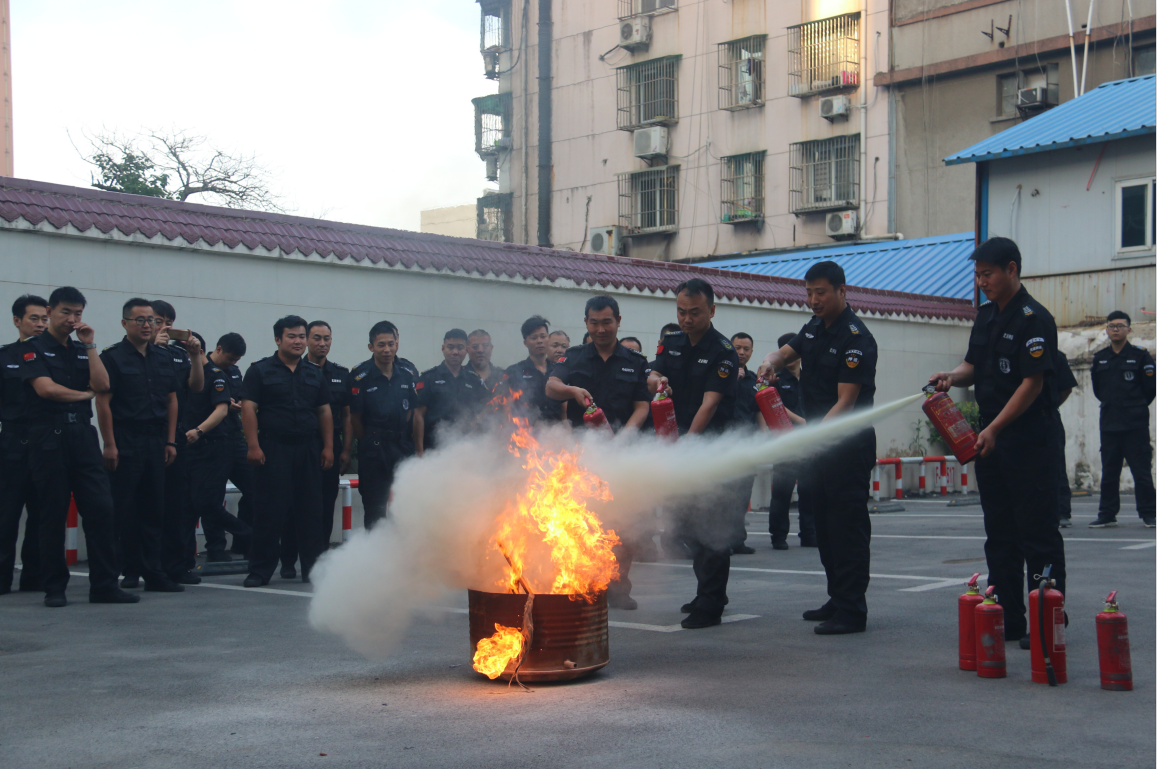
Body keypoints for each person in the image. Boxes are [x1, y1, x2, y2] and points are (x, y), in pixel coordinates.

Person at [927, 237, 1066, 649]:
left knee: (1037, 534)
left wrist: (996, 428)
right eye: (977, 275)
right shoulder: (986, 316)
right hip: (991, 441)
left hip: (1028, 440)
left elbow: (1032, 384)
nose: (981, 281)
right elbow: (973, 365)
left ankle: (1048, 616)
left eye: (987, 274)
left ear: (1011, 269)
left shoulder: (1034, 319)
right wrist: (951, 377)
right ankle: (1011, 617)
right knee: (1000, 534)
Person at [759, 261, 877, 636]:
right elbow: (785, 353)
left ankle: (852, 610)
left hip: (846, 446)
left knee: (847, 528)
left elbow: (846, 402)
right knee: (824, 527)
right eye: (808, 293)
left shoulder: (856, 338)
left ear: (842, 291)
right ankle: (837, 598)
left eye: (821, 292)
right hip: (818, 446)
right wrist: (768, 363)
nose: (813, 300)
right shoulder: (813, 327)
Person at [20, 286, 137, 607]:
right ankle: (54, 587)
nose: (72, 319)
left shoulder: (81, 349)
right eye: (65, 312)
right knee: (52, 513)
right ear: (50, 313)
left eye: (78, 313)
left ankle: (104, 586)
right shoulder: (32, 349)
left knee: (101, 510)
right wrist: (85, 395)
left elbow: (103, 385)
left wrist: (90, 345)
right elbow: (47, 390)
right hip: (48, 438)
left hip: (83, 437)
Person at [647, 278, 741, 630]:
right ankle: (708, 591)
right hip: (678, 447)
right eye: (681, 312)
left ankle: (711, 603)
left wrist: (687, 448)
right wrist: (657, 381)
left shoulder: (723, 351)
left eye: (695, 313)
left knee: (710, 527)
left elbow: (709, 404)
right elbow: (654, 372)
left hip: (710, 451)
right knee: (686, 526)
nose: (686, 319)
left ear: (712, 311)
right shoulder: (672, 341)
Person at [546, 295, 650, 609]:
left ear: (618, 321)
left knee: (624, 524)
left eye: (607, 322)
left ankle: (618, 588)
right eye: (594, 323)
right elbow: (551, 386)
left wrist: (623, 439)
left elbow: (642, 407)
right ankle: (585, 588)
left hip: (622, 454)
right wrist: (572, 390)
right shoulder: (574, 357)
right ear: (586, 323)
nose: (601, 329)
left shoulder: (635, 361)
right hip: (583, 456)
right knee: (584, 521)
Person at [96, 298, 184, 593]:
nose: (148, 325)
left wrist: (170, 440)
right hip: (125, 439)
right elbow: (103, 403)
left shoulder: (162, 356)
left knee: (153, 509)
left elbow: (172, 400)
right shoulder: (112, 357)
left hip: (156, 440)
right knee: (122, 510)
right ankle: (125, 571)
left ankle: (153, 572)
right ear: (125, 323)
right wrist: (110, 444)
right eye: (141, 320)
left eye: (152, 320)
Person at [241, 315, 334, 587]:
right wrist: (253, 446)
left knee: (311, 512)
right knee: (269, 511)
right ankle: (260, 571)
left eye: (302, 336)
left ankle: (313, 570)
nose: (298, 341)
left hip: (308, 448)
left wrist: (328, 447)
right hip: (273, 448)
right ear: (278, 339)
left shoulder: (314, 372)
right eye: (292, 336)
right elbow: (248, 408)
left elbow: (324, 411)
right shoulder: (260, 370)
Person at [279, 321, 351, 578]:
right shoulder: (295, 370)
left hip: (330, 445)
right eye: (317, 338)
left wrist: (345, 450)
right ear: (307, 340)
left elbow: (346, 415)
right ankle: (288, 559)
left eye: (327, 338)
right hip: (302, 443)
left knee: (325, 503)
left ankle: (319, 560)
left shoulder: (341, 374)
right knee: (292, 504)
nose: (322, 343)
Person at [184, 332, 253, 567]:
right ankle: (215, 548)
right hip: (209, 440)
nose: (232, 363)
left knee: (254, 488)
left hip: (234, 437)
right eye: (230, 358)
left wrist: (239, 405)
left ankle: (246, 542)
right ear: (219, 349)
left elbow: (242, 397)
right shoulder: (199, 370)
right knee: (210, 498)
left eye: (236, 361)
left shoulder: (233, 372)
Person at [151, 300, 205, 585]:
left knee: (177, 504)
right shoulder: (130, 353)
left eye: (167, 322)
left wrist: (195, 357)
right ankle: (137, 567)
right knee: (144, 503)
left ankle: (176, 565)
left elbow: (196, 386)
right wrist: (156, 349)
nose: (163, 327)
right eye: (157, 321)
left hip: (175, 436)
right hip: (143, 435)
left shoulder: (177, 354)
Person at [0, 295, 48, 595]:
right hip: (12, 443)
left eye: (45, 318)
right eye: (34, 318)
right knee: (6, 513)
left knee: (43, 513)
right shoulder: (5, 356)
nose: (41, 324)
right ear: (18, 321)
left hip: (47, 441)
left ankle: (35, 576)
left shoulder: (56, 355)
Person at [1090, 311, 1156, 528]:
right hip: (1110, 423)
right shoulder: (1100, 358)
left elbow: (1150, 390)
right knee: (1110, 472)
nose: (1115, 329)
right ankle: (1107, 514)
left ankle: (1149, 513)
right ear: (1107, 330)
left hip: (1135, 424)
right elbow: (1098, 390)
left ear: (1129, 329)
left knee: (1141, 471)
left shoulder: (1141, 356)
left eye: (1120, 325)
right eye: (1111, 326)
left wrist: (1133, 406)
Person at [350, 321, 415, 529]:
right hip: (374, 450)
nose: (386, 349)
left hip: (401, 447)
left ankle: (401, 548)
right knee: (375, 507)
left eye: (390, 344)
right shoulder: (360, 376)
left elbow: (411, 411)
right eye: (381, 345)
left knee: (404, 505)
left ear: (396, 344)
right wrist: (371, 439)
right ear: (371, 347)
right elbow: (355, 418)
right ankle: (375, 548)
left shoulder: (407, 373)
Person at [766, 332, 813, 549]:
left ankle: (809, 534)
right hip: (785, 444)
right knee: (782, 492)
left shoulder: (810, 378)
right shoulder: (775, 380)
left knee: (809, 490)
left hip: (808, 443)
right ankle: (778, 536)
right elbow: (776, 405)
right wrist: (802, 421)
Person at [414, 329, 488, 455]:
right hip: (433, 448)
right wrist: (419, 452)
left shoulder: (474, 380)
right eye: (450, 347)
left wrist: (477, 422)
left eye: (460, 348)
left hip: (466, 447)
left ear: (467, 350)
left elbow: (486, 407)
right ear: (443, 348)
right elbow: (418, 415)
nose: (455, 352)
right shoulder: (429, 378)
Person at [727, 332, 759, 555]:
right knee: (723, 496)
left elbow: (757, 411)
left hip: (747, 446)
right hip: (725, 445)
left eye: (746, 349)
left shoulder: (753, 380)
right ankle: (720, 541)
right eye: (737, 348)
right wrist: (731, 379)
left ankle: (738, 540)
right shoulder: (720, 375)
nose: (741, 353)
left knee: (742, 496)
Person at [501, 316, 564, 426]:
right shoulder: (514, 371)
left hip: (556, 431)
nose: (539, 341)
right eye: (534, 338)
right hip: (526, 432)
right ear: (525, 342)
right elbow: (505, 406)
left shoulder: (558, 370)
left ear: (548, 339)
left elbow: (564, 408)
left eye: (543, 336)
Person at [1053, 352, 1078, 528]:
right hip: (1015, 419)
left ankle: (1062, 512)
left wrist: (1050, 405)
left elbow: (1066, 388)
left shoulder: (1056, 356)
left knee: (1057, 467)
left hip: (1046, 416)